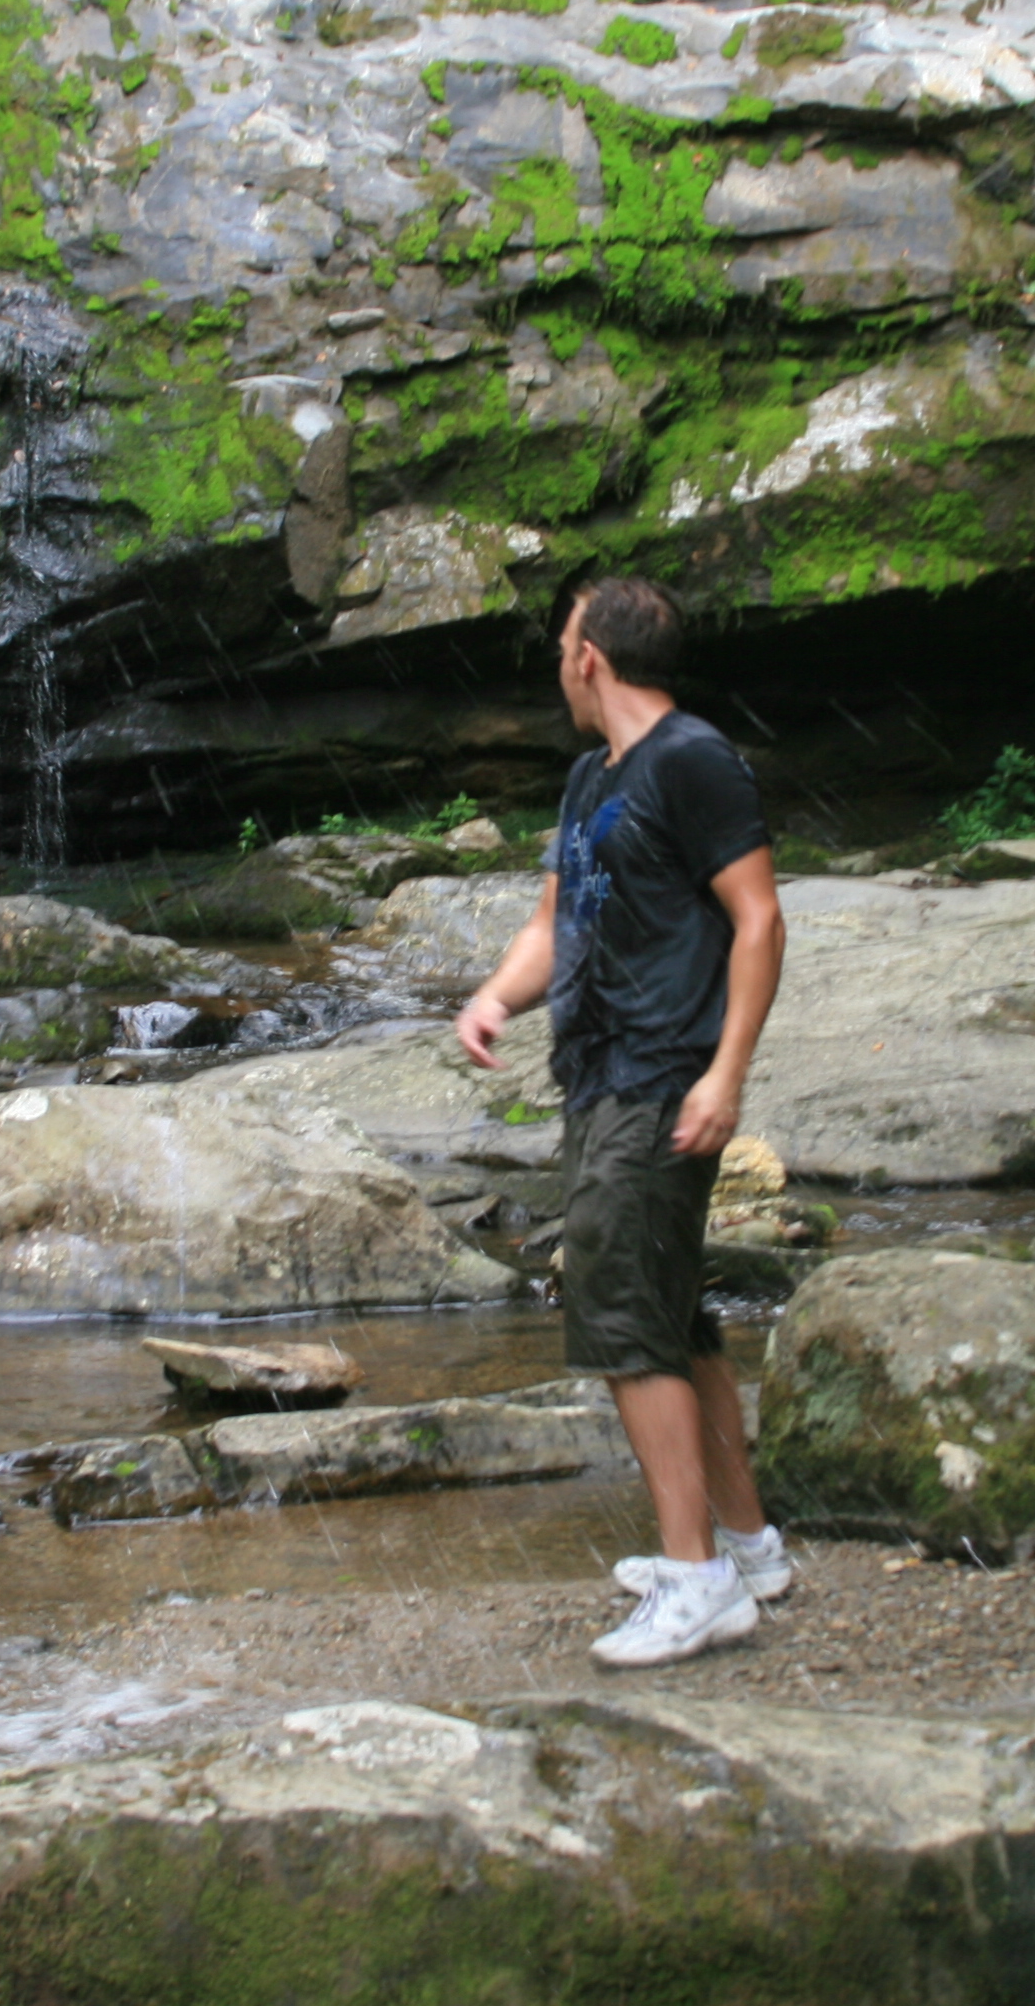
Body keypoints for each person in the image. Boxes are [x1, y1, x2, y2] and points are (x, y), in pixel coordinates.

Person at [456, 576, 790, 1668]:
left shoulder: (694, 760)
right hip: (599, 1074)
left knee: (619, 1306)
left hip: (663, 1076)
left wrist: (725, 1073)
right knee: (673, 1311)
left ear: (590, 656)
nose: (559, 664)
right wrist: (495, 998)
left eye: (563, 644)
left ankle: (695, 1581)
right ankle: (747, 1549)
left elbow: (759, 919)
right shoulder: (587, 777)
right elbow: (555, 919)